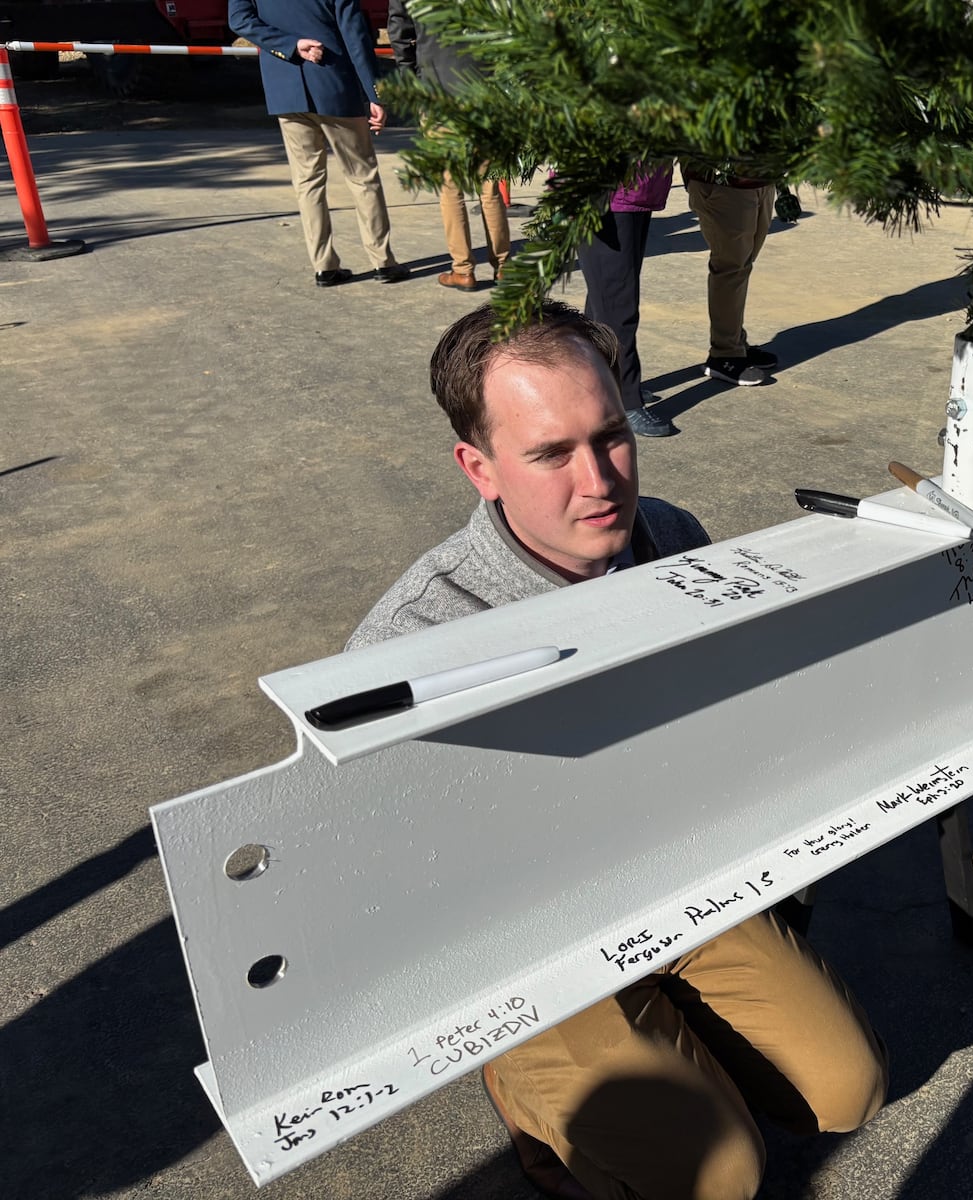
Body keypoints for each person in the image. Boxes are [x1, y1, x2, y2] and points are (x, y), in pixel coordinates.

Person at [348, 301, 888, 1199]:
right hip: (514, 937)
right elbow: (390, 899)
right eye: (551, 454)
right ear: (478, 468)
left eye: (612, 436)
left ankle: (682, 1051)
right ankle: (526, 1094)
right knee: (721, 1175)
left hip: (666, 876)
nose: (600, 481)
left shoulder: (668, 537)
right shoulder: (409, 647)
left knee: (846, 1087)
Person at [230, 0, 409, 287]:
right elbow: (355, 34)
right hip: (335, 85)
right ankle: (382, 261)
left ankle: (324, 266)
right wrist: (375, 94)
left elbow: (239, 21)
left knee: (307, 180)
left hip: (285, 89)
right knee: (362, 176)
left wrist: (290, 44)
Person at [387, 0, 513, 292]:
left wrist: (412, 78)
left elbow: (399, 31)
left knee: (450, 185)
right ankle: (504, 266)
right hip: (485, 87)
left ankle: (463, 269)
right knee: (490, 185)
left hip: (438, 88)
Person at [577, 163, 679, 437]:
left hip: (635, 190)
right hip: (606, 194)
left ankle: (597, 382)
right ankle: (624, 399)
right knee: (617, 305)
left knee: (604, 300)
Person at [680, 159, 781, 386]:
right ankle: (724, 354)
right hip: (722, 181)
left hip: (759, 177)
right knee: (731, 267)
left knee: (743, 264)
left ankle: (735, 342)